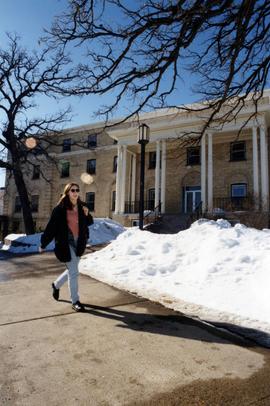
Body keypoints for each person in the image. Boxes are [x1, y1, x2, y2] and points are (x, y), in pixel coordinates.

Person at [39, 182, 93, 312]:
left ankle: (56, 285)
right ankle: (75, 301)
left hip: (79, 242)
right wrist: (43, 243)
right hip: (65, 243)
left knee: (71, 270)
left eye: (77, 190)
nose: (75, 193)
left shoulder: (82, 207)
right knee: (74, 271)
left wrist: (87, 214)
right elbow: (51, 227)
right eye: (72, 190)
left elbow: (89, 222)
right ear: (67, 192)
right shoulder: (60, 209)